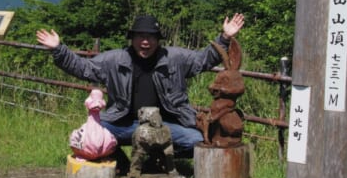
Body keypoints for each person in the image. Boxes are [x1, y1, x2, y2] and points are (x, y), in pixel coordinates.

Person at [36, 13, 244, 158]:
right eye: (140, 36)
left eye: (150, 37)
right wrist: (58, 50)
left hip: (167, 125)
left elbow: (202, 60)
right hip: (123, 123)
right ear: (132, 38)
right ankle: (122, 163)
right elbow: (84, 68)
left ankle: (156, 161)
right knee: (92, 134)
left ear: (157, 40)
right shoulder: (115, 60)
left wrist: (224, 37)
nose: (145, 42)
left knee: (196, 140)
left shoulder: (175, 58)